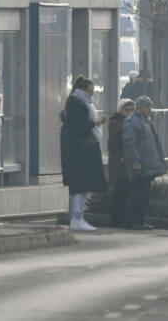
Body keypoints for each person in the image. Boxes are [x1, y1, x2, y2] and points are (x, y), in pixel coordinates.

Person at [61, 76, 108, 232]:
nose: (92, 95)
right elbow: (76, 128)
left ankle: (79, 218)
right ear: (81, 90)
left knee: (82, 187)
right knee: (79, 187)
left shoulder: (81, 103)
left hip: (82, 151)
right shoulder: (76, 104)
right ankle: (77, 218)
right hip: (79, 152)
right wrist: (94, 123)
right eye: (90, 91)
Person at [122, 96, 168, 231]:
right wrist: (135, 162)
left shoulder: (144, 121)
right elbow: (130, 144)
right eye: (148, 106)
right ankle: (131, 221)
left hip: (147, 165)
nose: (150, 109)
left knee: (144, 195)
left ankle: (140, 221)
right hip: (140, 166)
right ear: (140, 107)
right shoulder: (133, 122)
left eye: (151, 106)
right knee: (137, 194)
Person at [106, 97, 135, 228]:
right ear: (121, 110)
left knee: (127, 191)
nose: (129, 112)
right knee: (120, 191)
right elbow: (115, 141)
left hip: (126, 162)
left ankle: (123, 219)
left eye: (131, 110)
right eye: (126, 109)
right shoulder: (116, 122)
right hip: (119, 162)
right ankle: (116, 220)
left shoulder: (131, 122)